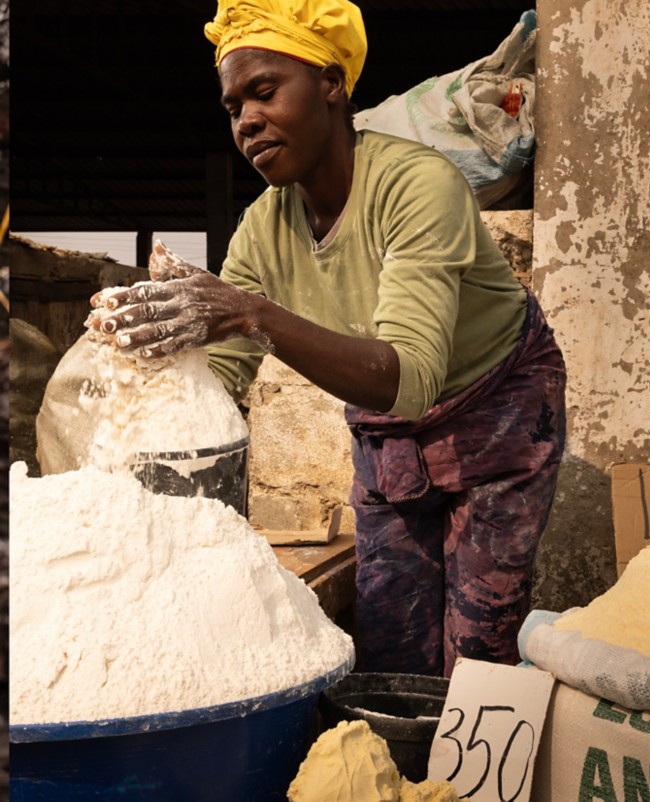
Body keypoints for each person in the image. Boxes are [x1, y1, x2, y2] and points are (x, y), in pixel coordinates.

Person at [89, 0, 566, 677]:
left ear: (331, 84)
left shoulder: (417, 186)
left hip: (497, 408)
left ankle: (467, 783)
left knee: (478, 648)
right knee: (390, 646)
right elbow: (219, 379)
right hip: (388, 428)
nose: (247, 120)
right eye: (232, 109)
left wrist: (248, 312)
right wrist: (147, 374)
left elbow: (410, 379)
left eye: (263, 92)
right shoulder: (262, 230)